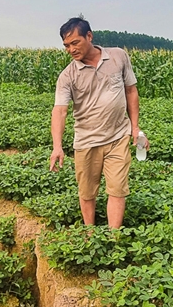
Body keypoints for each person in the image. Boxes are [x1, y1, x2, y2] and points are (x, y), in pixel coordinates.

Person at [48, 17, 146, 229]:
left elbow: (131, 90)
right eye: (66, 45)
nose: (71, 49)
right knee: (87, 191)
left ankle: (114, 238)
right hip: (86, 141)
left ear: (89, 36)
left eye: (75, 42)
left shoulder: (118, 56)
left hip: (118, 137)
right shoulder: (67, 76)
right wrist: (57, 146)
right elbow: (60, 111)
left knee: (117, 189)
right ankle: (90, 236)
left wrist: (135, 127)